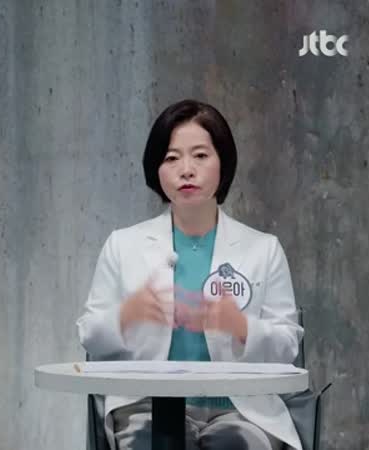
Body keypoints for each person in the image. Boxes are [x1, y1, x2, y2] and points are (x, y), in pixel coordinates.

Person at [77, 100, 304, 450]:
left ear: (223, 163)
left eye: (200, 155)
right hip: (146, 408)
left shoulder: (264, 249)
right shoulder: (122, 245)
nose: (186, 170)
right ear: (156, 169)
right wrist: (125, 316)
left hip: (241, 412)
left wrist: (242, 327)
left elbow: (288, 346)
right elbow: (90, 336)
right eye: (171, 158)